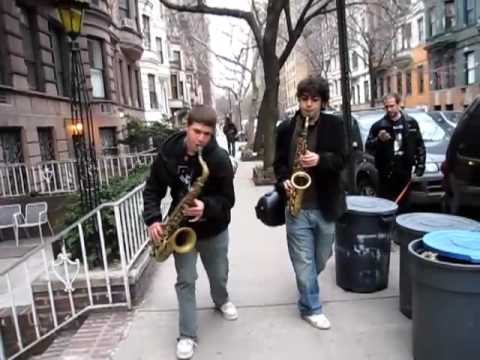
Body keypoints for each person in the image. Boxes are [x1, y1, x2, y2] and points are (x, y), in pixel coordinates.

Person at [143, 105, 237, 360]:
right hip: (182, 228)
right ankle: (187, 335)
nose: (201, 139)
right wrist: (153, 220)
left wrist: (207, 207)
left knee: (218, 275)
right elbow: (152, 189)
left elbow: (228, 199)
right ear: (187, 126)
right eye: (197, 131)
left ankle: (221, 299)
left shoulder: (217, 159)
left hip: (213, 227)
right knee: (186, 281)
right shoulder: (168, 154)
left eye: (207, 134)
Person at [273, 75, 347, 330]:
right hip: (297, 206)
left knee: (321, 257)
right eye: (304, 99)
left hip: (325, 205)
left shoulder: (335, 125)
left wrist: (320, 160)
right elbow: (279, 164)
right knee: (304, 261)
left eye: (314, 99)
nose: (308, 105)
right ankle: (311, 307)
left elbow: (344, 160)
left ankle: (307, 288)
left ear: (323, 102)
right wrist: (283, 180)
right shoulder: (285, 128)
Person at [366, 93, 426, 206]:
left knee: (404, 205)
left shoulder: (410, 123)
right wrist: (379, 140)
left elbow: (419, 145)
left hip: (405, 172)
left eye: (392, 106)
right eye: (386, 107)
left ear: (399, 105)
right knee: (386, 205)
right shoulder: (378, 126)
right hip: (386, 174)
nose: (389, 109)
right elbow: (368, 147)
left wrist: (420, 166)